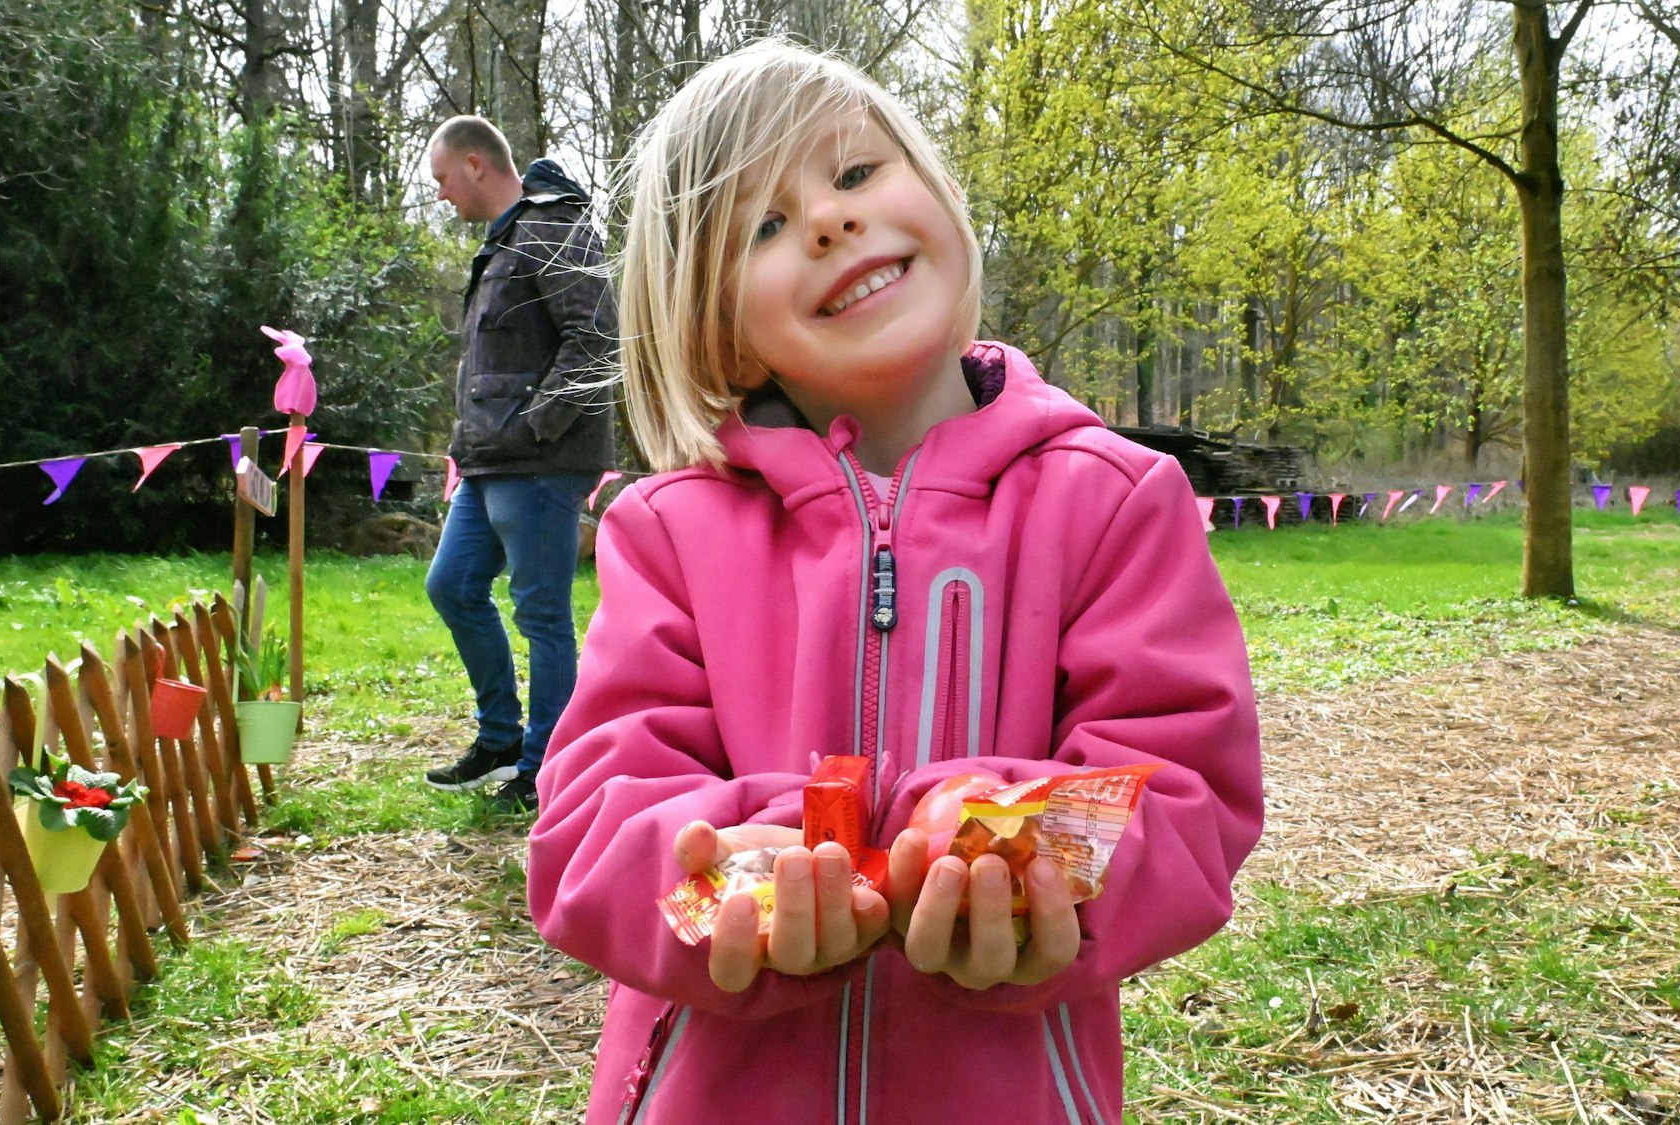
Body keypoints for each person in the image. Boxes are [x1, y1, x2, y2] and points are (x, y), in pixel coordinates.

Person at [527, 40, 1262, 1124]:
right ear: (721, 334)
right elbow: (591, 818)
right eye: (764, 228)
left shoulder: (1111, 501)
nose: (827, 220)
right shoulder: (669, 531)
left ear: (941, 205)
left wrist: (1022, 848)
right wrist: (732, 870)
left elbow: (1185, 789)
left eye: (856, 175)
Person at [422, 115, 617, 814]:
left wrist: (537, 426)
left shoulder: (554, 226)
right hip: (487, 462)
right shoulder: (502, 240)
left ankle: (547, 766)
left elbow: (595, 338)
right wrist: (471, 442)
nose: (442, 194)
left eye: (443, 179)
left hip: (538, 460)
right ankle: (501, 739)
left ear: (476, 164)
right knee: (451, 586)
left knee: (541, 615)